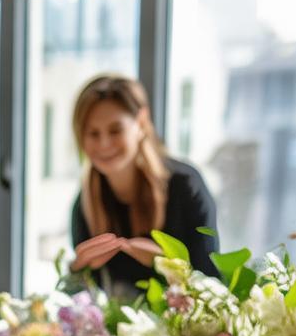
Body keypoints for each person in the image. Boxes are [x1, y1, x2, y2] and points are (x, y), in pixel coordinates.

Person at [69, 74, 217, 296]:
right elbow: (84, 304)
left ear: (141, 123)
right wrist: (77, 270)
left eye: (115, 130)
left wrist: (168, 264)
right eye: (93, 133)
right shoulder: (86, 204)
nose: (104, 143)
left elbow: (213, 288)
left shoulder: (185, 187)